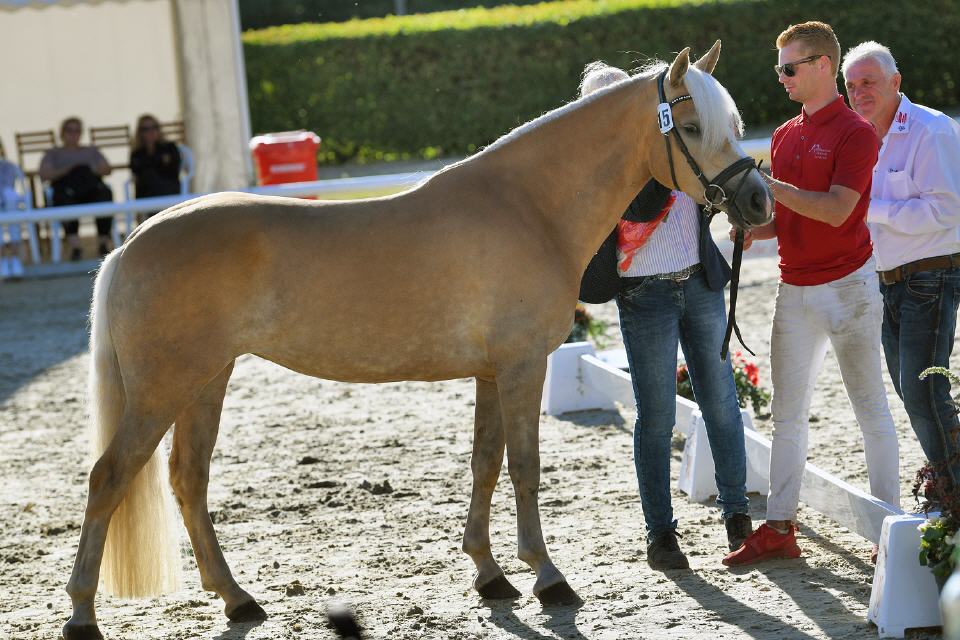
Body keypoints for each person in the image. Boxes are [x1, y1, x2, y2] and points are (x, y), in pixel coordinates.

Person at [724, 21, 900, 566]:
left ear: (823, 64)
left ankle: (887, 531)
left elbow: (837, 209)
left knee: (869, 407)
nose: (781, 78)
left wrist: (768, 188)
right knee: (788, 414)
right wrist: (755, 228)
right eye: (780, 68)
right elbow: (789, 218)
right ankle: (779, 526)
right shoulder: (783, 134)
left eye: (789, 67)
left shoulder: (855, 132)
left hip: (850, 287)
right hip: (794, 288)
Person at [580, 62, 752, 571]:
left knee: (722, 402)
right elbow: (639, 207)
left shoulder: (674, 137)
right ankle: (660, 533)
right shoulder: (605, 164)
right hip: (643, 296)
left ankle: (737, 515)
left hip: (699, 281)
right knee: (654, 418)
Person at [842, 42, 960, 487]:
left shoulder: (931, 129)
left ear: (896, 82)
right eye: (851, 86)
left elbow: (947, 212)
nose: (859, 92)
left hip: (932, 273)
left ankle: (953, 496)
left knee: (925, 392)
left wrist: (870, 206)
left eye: (868, 82)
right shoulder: (859, 136)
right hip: (886, 281)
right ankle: (950, 490)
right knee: (914, 393)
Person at [38, 117, 114, 260]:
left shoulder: (91, 150)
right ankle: (76, 246)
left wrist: (90, 169)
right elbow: (44, 174)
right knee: (61, 198)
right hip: (66, 189)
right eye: (69, 130)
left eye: (77, 130)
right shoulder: (53, 153)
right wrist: (67, 169)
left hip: (91, 188)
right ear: (62, 133)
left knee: (105, 193)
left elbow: (107, 169)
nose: (73, 134)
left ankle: (103, 243)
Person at [129, 114, 182, 209]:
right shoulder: (137, 154)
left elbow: (174, 170)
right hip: (147, 196)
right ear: (140, 132)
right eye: (146, 129)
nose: (151, 132)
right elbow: (138, 176)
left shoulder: (169, 147)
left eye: (154, 127)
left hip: (168, 192)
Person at [0, 158, 27, 279]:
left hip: (9, 205)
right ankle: (3, 259)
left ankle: (15, 257)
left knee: (11, 201)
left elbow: (9, 188)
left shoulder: (8, 166)